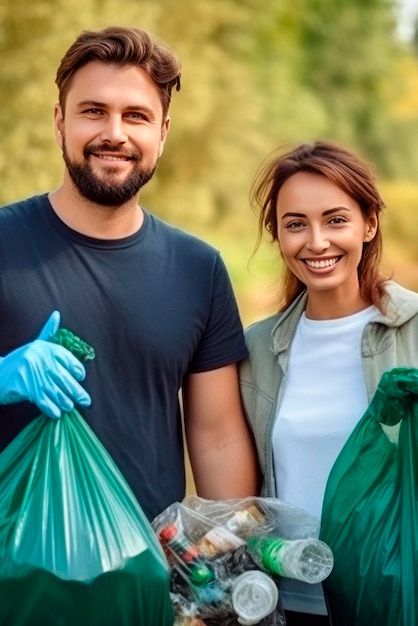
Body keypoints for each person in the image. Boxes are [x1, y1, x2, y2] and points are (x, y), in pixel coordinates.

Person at [0, 25, 259, 522]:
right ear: (59, 122)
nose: (114, 133)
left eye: (135, 116)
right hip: (15, 579)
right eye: (93, 111)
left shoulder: (197, 268)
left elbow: (217, 436)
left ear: (161, 133)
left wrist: (229, 562)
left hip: (146, 579)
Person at [239, 140, 418, 625]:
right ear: (277, 235)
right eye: (295, 224)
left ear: (370, 223)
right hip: (290, 605)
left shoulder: (415, 330)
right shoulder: (255, 351)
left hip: (393, 602)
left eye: (336, 220)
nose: (316, 242)